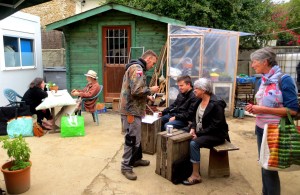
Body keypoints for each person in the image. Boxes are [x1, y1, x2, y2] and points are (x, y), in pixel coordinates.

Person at [245, 47, 299, 195]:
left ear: (265, 62)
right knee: (264, 165)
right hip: (261, 127)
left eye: (254, 62)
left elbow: (293, 110)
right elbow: (264, 105)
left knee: (270, 167)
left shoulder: (284, 80)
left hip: (276, 129)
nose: (252, 65)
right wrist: (254, 107)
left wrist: (262, 109)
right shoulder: (262, 80)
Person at [119, 50, 159, 180]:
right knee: (131, 139)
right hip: (131, 110)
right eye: (152, 64)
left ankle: (136, 159)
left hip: (133, 108)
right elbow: (137, 90)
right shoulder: (137, 69)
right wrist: (151, 90)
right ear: (148, 59)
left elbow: (133, 89)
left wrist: (147, 96)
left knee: (136, 136)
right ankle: (126, 167)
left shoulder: (136, 67)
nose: (152, 66)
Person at [182, 78, 229, 185]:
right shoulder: (199, 100)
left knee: (194, 143)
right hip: (202, 131)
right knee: (182, 134)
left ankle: (195, 175)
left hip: (216, 134)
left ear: (203, 90)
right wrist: (193, 128)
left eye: (196, 89)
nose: (194, 91)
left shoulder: (217, 103)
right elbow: (195, 117)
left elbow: (216, 126)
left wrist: (197, 134)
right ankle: (187, 168)